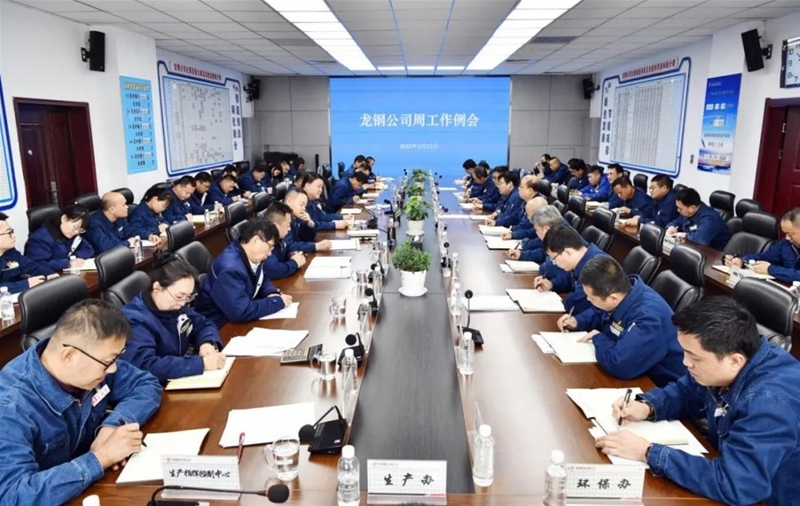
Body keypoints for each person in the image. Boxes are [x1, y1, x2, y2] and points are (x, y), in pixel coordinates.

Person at [595, 297, 800, 505]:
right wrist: (648, 406)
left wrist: (648, 452)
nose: (685, 362)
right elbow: (687, 391)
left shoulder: (770, 404)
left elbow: (738, 483)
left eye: (695, 357)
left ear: (735, 360)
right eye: (685, 352)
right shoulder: (737, 360)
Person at [0, 299, 162, 504]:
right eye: (108, 362)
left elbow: (145, 384)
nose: (113, 369)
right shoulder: (10, 407)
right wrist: (101, 458)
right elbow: (12, 496)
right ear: (69, 356)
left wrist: (111, 426)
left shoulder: (89, 360)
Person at [558, 256, 686, 387]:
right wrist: (578, 321)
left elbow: (619, 364)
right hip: (638, 367)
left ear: (613, 298)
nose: (588, 300)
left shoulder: (647, 318)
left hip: (659, 383)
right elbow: (602, 311)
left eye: (591, 298)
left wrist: (598, 338)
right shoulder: (624, 292)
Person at [121, 254, 226, 384]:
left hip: (180, 376)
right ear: (157, 288)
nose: (183, 303)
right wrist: (201, 364)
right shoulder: (134, 320)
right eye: (179, 297)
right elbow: (147, 365)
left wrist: (207, 343)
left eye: (188, 297)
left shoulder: (175, 305)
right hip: (157, 385)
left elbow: (202, 324)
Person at [195, 218, 293, 328]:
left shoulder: (250, 254)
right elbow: (241, 311)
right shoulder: (229, 269)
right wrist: (276, 302)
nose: (270, 253)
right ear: (255, 241)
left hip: (235, 317)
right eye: (270, 246)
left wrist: (271, 292)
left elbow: (262, 277)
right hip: (219, 326)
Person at [535, 225, 607, 318]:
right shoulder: (583, 258)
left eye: (554, 258)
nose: (554, 263)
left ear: (567, 252)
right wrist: (552, 284)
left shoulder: (597, 269)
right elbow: (570, 277)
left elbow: (575, 305)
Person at [725, 207, 800, 282]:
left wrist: (770, 269)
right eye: (785, 234)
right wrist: (742, 261)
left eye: (790, 234)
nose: (787, 238)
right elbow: (766, 257)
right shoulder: (786, 243)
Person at [25, 204, 94, 272]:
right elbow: (38, 264)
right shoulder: (40, 239)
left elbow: (88, 249)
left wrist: (74, 258)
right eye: (75, 227)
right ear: (64, 219)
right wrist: (67, 263)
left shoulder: (72, 234)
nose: (76, 232)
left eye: (81, 230)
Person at [0, 212, 57, 293]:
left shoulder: (11, 252)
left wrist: (50, 275)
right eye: (9, 233)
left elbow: (31, 267)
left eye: (12, 231)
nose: (14, 236)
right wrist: (26, 284)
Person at [666, 187, 732, 251]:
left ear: (692, 208)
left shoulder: (710, 218)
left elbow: (701, 239)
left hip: (714, 253)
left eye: (680, 208)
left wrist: (684, 235)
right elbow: (677, 221)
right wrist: (671, 227)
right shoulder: (688, 212)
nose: (678, 210)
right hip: (694, 248)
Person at [261, 202, 307, 279]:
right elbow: (273, 270)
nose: (289, 229)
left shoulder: (280, 238)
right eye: (288, 225)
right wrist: (295, 263)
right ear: (275, 226)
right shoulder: (264, 241)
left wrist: (291, 254)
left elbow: (289, 247)